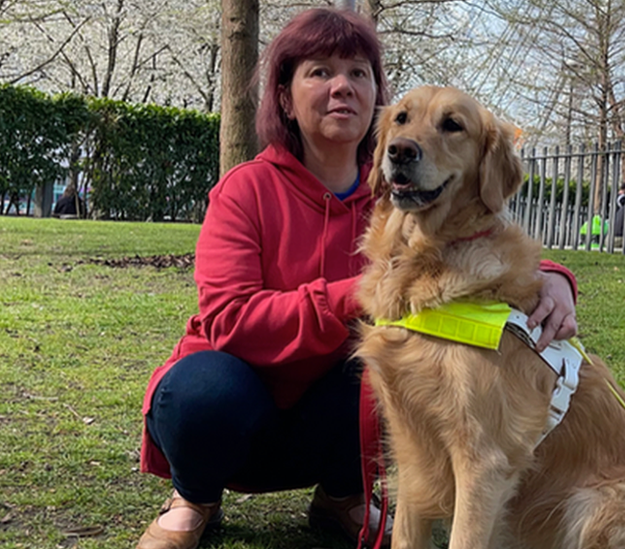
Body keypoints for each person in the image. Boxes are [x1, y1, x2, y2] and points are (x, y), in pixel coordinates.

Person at [135, 9, 579, 549]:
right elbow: (229, 320)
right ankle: (194, 497)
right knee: (201, 392)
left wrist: (553, 276)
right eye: (319, 72)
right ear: (283, 98)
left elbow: (473, 239)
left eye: (358, 72)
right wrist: (359, 292)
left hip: (335, 410)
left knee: (388, 363)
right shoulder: (245, 189)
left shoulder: (402, 194)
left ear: (373, 100)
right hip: (241, 402)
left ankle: (343, 494)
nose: (342, 86)